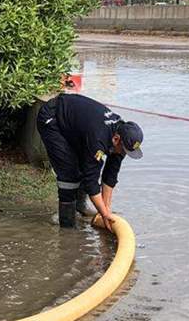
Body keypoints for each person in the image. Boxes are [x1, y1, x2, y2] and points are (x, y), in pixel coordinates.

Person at [35, 91, 143, 230]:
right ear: (116, 140)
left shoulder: (121, 136)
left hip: (76, 124)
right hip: (52, 118)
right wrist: (104, 214)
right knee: (69, 173)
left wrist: (106, 210)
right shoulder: (99, 138)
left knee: (83, 166)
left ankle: (80, 207)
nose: (124, 154)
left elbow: (110, 176)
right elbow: (91, 182)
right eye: (124, 151)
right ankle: (67, 224)